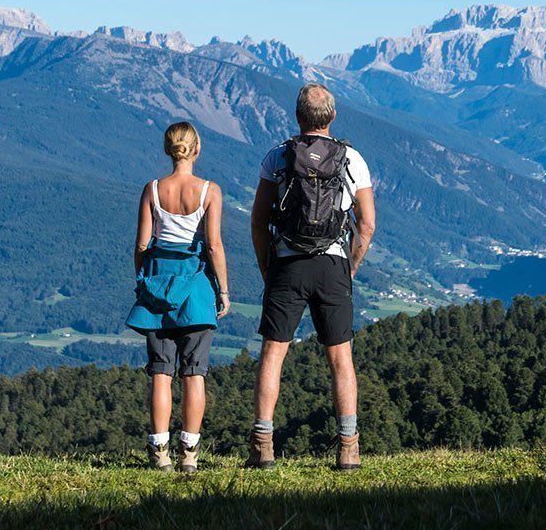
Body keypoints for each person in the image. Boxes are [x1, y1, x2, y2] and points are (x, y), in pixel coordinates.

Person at [247, 84, 376, 472]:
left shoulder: (278, 157)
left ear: (298, 117)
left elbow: (257, 220)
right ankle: (348, 449)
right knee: (340, 358)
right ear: (332, 118)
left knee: (274, 353)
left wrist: (268, 269)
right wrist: (349, 267)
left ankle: (263, 447)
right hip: (332, 263)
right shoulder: (352, 159)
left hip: (288, 263)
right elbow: (367, 225)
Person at [125, 121, 231, 473]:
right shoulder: (209, 191)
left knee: (160, 372)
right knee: (194, 372)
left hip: (157, 287)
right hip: (195, 289)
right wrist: (224, 290)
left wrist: (143, 279)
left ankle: (159, 452)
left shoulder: (152, 190)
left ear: (168, 149)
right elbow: (213, 245)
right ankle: (189, 453)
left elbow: (142, 244)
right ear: (196, 149)